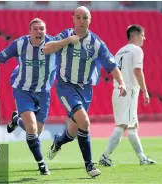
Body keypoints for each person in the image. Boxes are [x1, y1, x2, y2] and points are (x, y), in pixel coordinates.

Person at [42, 6, 127, 178]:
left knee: (72, 133)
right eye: (78, 17)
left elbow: (112, 65)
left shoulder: (96, 43)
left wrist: (122, 83)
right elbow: (46, 48)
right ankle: (89, 166)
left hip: (86, 90)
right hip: (65, 87)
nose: (82, 21)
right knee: (85, 122)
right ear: (73, 19)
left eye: (85, 17)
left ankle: (58, 141)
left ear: (90, 20)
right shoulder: (65, 35)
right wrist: (67, 41)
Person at [0, 18, 57, 175]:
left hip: (44, 92)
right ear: (29, 32)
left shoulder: (53, 44)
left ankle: (17, 120)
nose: (39, 31)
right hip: (23, 90)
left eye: (42, 28)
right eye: (35, 29)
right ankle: (41, 164)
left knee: (36, 133)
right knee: (31, 127)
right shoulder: (20, 44)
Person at [99, 25, 156, 166]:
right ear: (135, 36)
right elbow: (137, 71)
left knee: (131, 126)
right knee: (124, 125)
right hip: (129, 91)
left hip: (118, 91)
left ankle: (142, 158)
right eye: (143, 35)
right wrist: (145, 91)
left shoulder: (119, 52)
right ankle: (105, 156)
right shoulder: (137, 50)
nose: (144, 38)